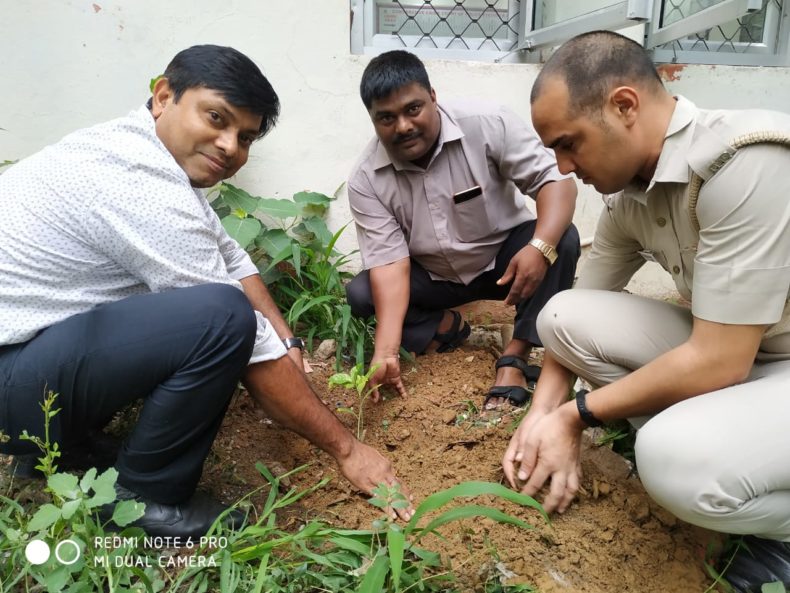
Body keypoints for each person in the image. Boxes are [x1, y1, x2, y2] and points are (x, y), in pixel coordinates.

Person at [0, 44, 412, 539]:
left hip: (24, 353)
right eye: (216, 118)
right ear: (163, 96)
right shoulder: (140, 185)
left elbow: (233, 257)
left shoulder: (140, 150)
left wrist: (289, 341)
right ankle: (145, 500)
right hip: (13, 377)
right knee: (220, 319)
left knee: (192, 310)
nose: (229, 146)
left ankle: (59, 448)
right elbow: (240, 335)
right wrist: (349, 449)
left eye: (245, 137)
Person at [502, 30, 790, 592]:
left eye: (569, 143)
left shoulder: (745, 164)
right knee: (561, 313)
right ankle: (726, 462)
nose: (562, 167)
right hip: (752, 356)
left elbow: (721, 361)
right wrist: (540, 414)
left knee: (670, 459)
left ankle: (767, 525)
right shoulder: (631, 191)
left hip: (753, 360)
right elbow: (571, 316)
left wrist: (575, 417)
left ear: (624, 106)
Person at [345, 50, 580, 408]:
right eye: (386, 118)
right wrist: (386, 352)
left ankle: (515, 356)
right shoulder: (367, 179)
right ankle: (445, 327)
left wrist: (539, 246)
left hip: (506, 264)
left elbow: (555, 181)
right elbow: (390, 265)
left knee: (562, 238)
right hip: (436, 278)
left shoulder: (487, 123)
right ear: (373, 121)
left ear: (433, 98)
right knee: (362, 293)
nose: (404, 126)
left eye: (413, 109)